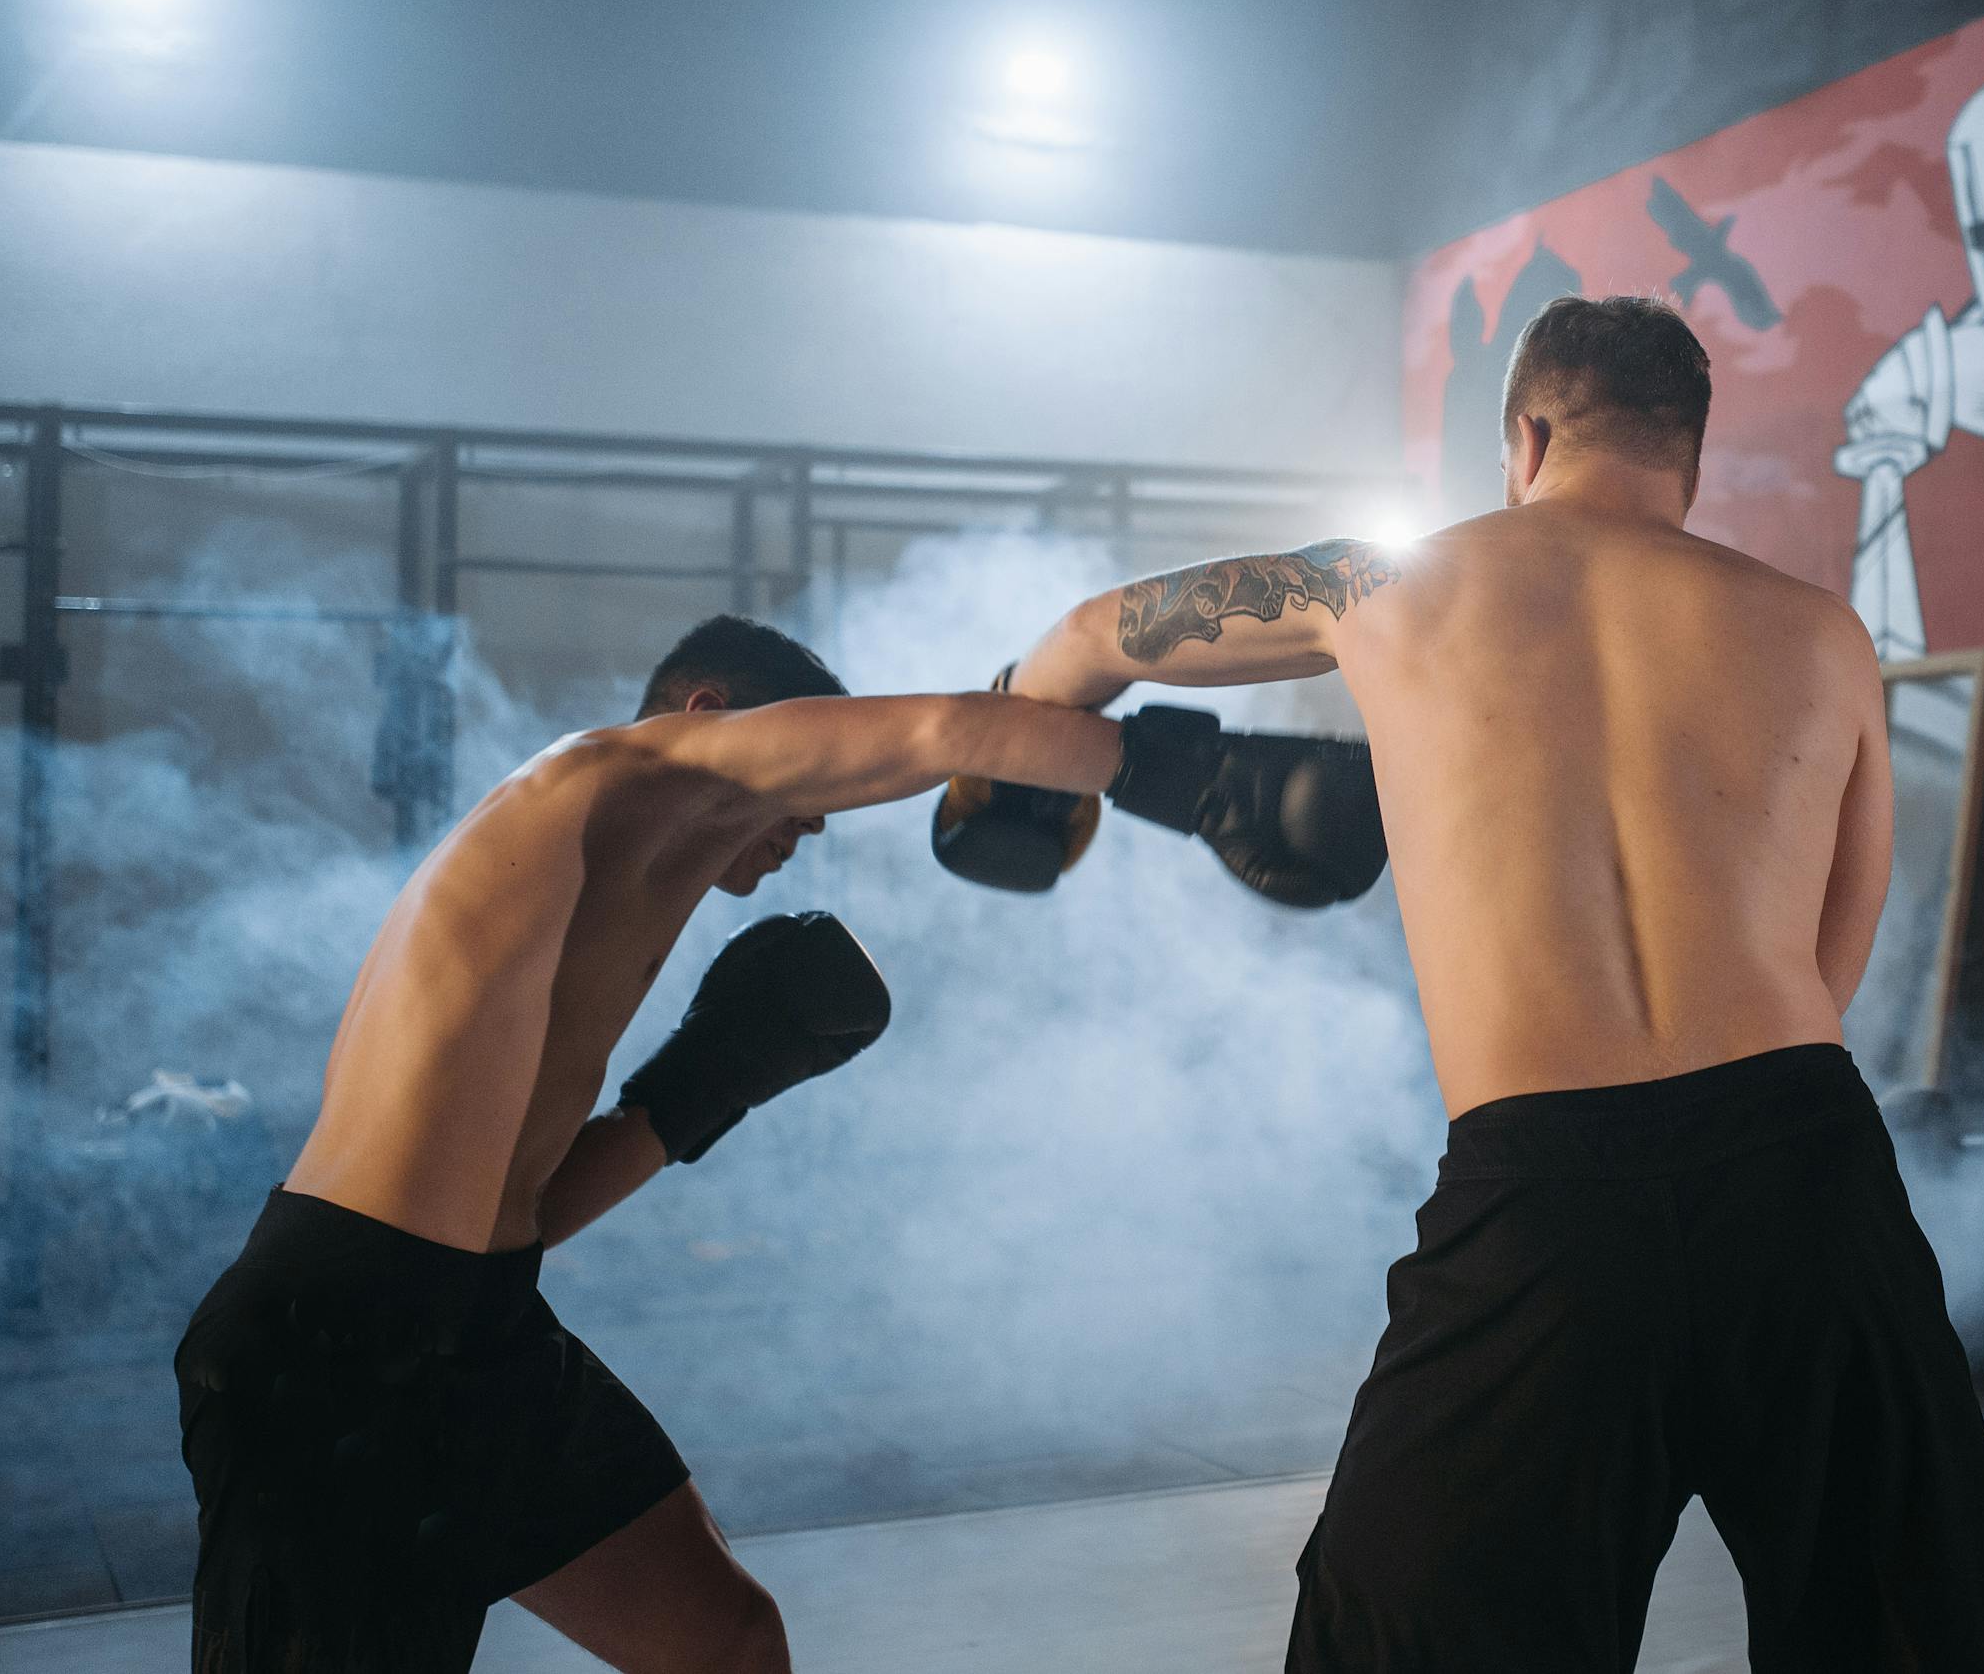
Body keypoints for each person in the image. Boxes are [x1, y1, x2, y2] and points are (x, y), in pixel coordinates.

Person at [963, 296, 1984, 1672]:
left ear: (1525, 438)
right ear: (1689, 457)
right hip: (1807, 1178)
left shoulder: (1373, 588)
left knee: (1412, 1634)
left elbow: (1091, 634)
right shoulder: (1823, 634)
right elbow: (1835, 960)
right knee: (1928, 1631)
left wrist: (1018, 747)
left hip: (1548, 1199)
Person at [174, 613, 1385, 1674]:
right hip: (332, 1341)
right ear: (708, 713)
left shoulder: (605, 889)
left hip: (478, 1321)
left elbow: (521, 1212)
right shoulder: (592, 776)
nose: (800, 832)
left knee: (726, 1643)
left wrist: (694, 1094)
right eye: (795, 798)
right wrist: (1195, 777)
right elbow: (933, 734)